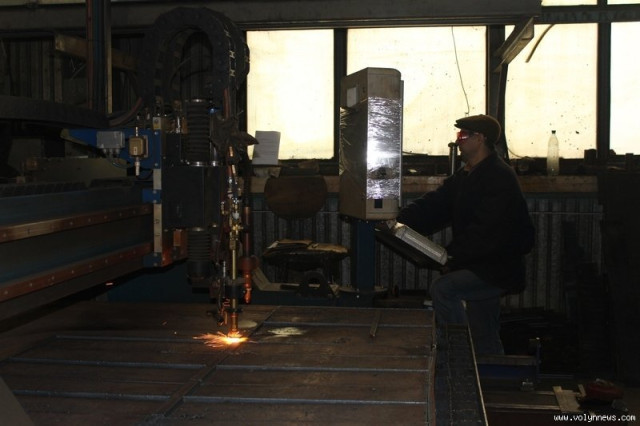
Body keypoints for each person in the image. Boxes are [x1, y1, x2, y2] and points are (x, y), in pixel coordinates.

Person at [396, 114, 535, 355]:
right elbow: (435, 205)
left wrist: (452, 258)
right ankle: (489, 368)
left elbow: (486, 230)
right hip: (480, 263)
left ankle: (458, 355)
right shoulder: (467, 175)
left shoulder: (499, 177)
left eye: (463, 135)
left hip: (497, 267)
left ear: (480, 138)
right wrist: (398, 219)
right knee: (484, 333)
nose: (458, 140)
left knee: (444, 289)